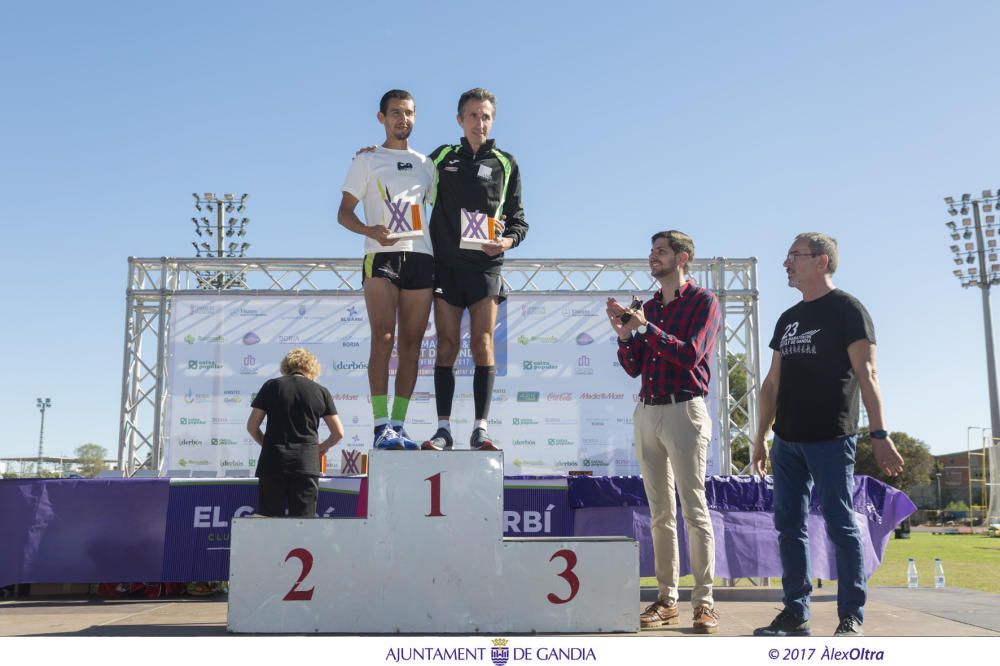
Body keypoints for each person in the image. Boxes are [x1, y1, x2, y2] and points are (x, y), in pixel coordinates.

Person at [751, 233, 904, 638]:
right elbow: (771, 383)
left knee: (840, 524)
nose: (785, 263)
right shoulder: (788, 318)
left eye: (793, 256)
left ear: (821, 262)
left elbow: (867, 374)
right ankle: (795, 612)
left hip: (832, 438)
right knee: (788, 526)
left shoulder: (848, 310)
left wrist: (879, 433)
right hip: (786, 441)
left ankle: (850, 615)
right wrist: (761, 436)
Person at [606, 230, 722, 634]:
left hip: (684, 409)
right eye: (651, 250)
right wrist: (624, 334)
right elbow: (636, 365)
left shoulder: (703, 301)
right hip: (648, 410)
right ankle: (666, 599)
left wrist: (646, 328)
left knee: (694, 509)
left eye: (661, 251)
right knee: (660, 514)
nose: (652, 256)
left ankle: (704, 602)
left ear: (682, 257)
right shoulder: (648, 305)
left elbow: (691, 354)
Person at [421, 87, 527, 451]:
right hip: (446, 267)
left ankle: (481, 428)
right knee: (446, 346)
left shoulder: (506, 162)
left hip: (485, 266)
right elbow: (403, 178)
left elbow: (519, 221)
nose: (479, 123)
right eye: (472, 116)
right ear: (459, 120)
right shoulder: (441, 158)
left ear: (492, 120)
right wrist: (375, 156)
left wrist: (506, 242)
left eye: (485, 116)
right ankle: (443, 428)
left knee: (483, 344)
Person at [339, 89, 436, 450]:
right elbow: (343, 212)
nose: (403, 119)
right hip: (381, 256)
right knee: (383, 338)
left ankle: (399, 424)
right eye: (395, 112)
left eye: (409, 112)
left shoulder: (427, 164)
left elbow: (439, 209)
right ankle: (380, 425)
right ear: (381, 117)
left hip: (422, 257)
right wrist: (370, 230)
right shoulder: (366, 160)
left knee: (412, 346)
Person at [246, 348, 344, 517]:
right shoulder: (321, 391)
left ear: (286, 367)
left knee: (269, 520)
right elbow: (338, 433)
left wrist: (268, 445)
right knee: (303, 524)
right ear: (313, 368)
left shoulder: (271, 386)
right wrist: (320, 448)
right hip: (306, 463)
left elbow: (252, 427)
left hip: (273, 461)